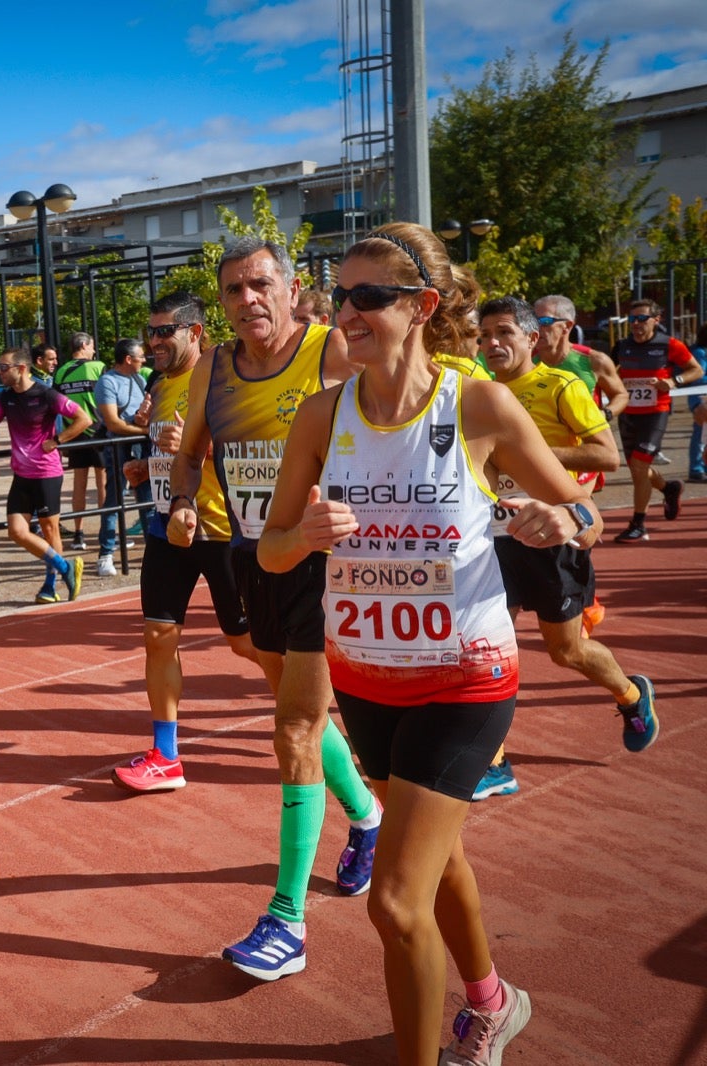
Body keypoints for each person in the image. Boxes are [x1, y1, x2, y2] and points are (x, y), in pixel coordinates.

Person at [258, 222, 604, 1066]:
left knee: (395, 904)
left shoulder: (477, 403)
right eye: (339, 295)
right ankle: (492, 1001)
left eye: (369, 297)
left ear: (422, 307)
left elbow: (588, 511)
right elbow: (268, 552)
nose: (347, 311)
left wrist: (565, 517)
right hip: (367, 678)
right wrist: (302, 534)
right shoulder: (320, 415)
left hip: (466, 677)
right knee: (437, 858)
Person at [166, 235, 382, 981]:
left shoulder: (333, 350)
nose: (248, 300)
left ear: (291, 289)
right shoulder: (215, 370)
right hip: (256, 558)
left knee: (293, 727)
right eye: (233, 291)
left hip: (332, 562)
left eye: (261, 284)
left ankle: (286, 920)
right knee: (296, 708)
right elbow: (191, 452)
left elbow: (406, 411)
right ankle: (368, 816)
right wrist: (184, 501)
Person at [471, 296, 657, 800]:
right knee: (490, 649)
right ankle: (494, 762)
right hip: (494, 539)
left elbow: (607, 455)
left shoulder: (561, 385)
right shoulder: (476, 392)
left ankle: (631, 694)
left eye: (504, 332)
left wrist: (530, 453)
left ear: (531, 339)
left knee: (566, 651)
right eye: (485, 334)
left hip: (557, 537)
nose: (492, 343)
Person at [113, 293, 257, 791]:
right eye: (150, 332)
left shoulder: (225, 377)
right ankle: (166, 755)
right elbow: (166, 453)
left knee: (245, 643)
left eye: (163, 332)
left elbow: (254, 448)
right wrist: (147, 466)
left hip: (220, 527)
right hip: (165, 525)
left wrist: (200, 448)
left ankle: (316, 705)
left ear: (194, 332)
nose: (152, 341)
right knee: (158, 635)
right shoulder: (158, 382)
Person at [0, 346, 92, 604]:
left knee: (49, 529)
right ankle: (66, 567)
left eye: (4, 368)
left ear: (21, 369)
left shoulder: (46, 395)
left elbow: (83, 419)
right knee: (16, 531)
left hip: (46, 472)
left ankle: (50, 586)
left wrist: (57, 440)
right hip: (22, 474)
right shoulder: (6, 398)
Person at [609, 298, 701, 541]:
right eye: (633, 319)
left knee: (639, 467)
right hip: (628, 414)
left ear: (656, 320)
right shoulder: (622, 346)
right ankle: (668, 488)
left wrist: (674, 381)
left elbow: (697, 370)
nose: (636, 324)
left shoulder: (669, 345)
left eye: (642, 319)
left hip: (655, 414)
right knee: (638, 471)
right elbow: (608, 373)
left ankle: (638, 524)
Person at [92, 338, 150, 576]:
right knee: (115, 497)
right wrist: (146, 430)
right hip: (118, 446)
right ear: (128, 359)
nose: (144, 360)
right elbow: (113, 424)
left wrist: (143, 422)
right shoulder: (107, 382)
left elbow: (144, 414)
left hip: (140, 444)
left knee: (147, 498)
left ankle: (154, 551)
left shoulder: (140, 379)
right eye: (140, 357)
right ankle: (106, 553)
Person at [532, 295, 628, 416]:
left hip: (583, 434)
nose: (536, 328)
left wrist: (604, 415)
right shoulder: (524, 360)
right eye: (533, 321)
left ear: (567, 326)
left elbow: (620, 395)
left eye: (545, 322)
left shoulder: (595, 360)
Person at [54, 332, 105, 551]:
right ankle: (107, 530)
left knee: (79, 483)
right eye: (92, 346)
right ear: (84, 345)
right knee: (103, 483)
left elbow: (56, 405)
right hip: (99, 431)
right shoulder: (98, 367)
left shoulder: (61, 372)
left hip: (74, 433)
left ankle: (79, 534)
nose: (93, 351)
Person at [686, 325, 707, 481]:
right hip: (701, 397)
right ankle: (696, 468)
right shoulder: (699, 352)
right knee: (700, 433)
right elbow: (699, 377)